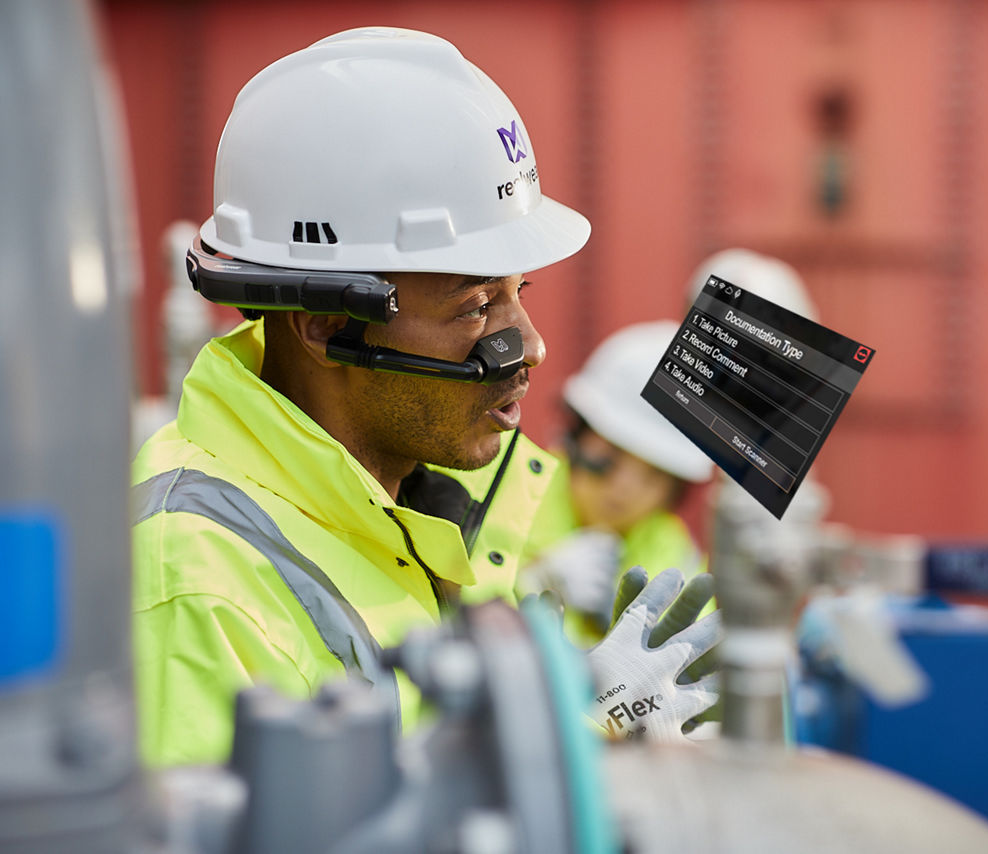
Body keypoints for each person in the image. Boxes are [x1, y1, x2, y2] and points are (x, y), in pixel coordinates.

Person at [131, 27, 717, 765]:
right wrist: (573, 746)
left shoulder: (418, 495)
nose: (530, 345)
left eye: (518, 292)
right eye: (476, 307)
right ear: (327, 326)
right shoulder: (194, 586)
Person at [519, 321, 714, 644]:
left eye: (654, 474)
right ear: (578, 436)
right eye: (614, 455)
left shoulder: (675, 555)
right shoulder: (503, 498)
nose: (626, 488)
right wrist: (533, 585)